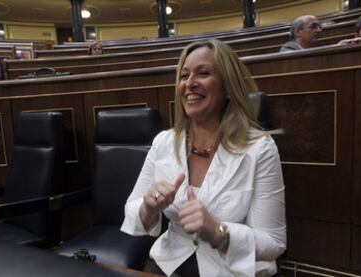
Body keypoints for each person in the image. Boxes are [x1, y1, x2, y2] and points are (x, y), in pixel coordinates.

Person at [121, 39, 286, 277]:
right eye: (184, 75)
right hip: (169, 264)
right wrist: (149, 207)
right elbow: (133, 209)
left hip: (231, 270)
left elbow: (274, 243)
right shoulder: (164, 142)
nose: (190, 84)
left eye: (203, 73)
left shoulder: (260, 149)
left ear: (228, 86)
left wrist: (219, 232)